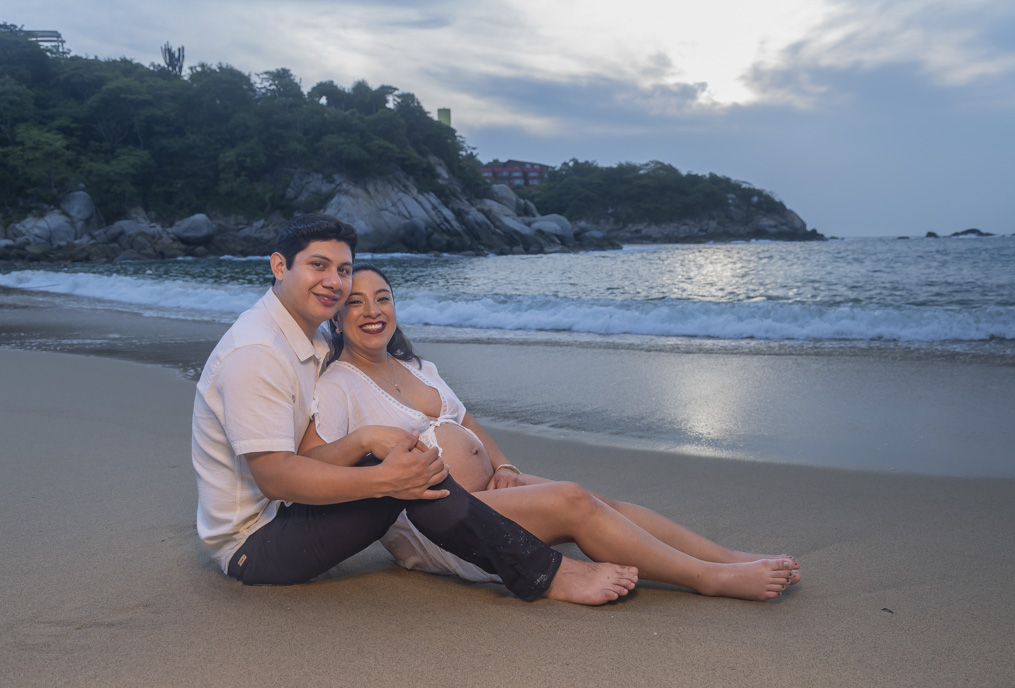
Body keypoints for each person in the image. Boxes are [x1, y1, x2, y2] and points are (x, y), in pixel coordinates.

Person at [192, 214, 638, 605]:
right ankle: (544, 573)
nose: (334, 281)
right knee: (406, 474)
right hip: (254, 545)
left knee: (406, 468)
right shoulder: (256, 353)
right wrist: (382, 476)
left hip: (295, 510)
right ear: (279, 266)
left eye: (343, 270)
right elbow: (274, 478)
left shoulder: (313, 336)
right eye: (318, 265)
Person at [300, 264, 801, 602]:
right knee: (572, 499)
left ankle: (727, 557)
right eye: (356, 303)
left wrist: (503, 464)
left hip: (488, 491)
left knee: (603, 503)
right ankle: (710, 579)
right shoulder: (338, 384)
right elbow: (310, 466)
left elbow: (465, 422)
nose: (373, 311)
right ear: (336, 318)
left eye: (383, 299)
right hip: (440, 527)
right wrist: (365, 443)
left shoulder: (417, 367)